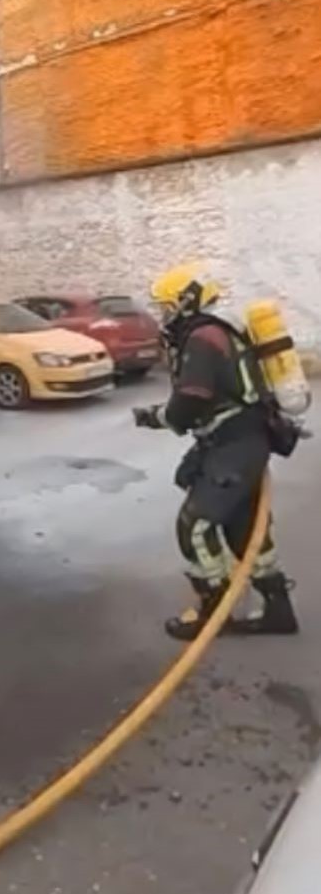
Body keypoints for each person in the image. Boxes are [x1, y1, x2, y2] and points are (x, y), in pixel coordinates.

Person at [133, 263, 299, 640]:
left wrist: (154, 418)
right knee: (244, 528)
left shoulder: (202, 337)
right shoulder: (218, 331)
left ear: (186, 301)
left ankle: (214, 610)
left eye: (167, 307)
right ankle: (277, 610)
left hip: (235, 443)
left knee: (195, 525)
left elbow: (191, 400)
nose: (165, 316)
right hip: (241, 441)